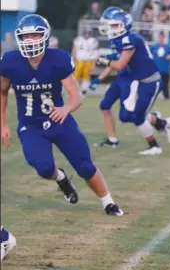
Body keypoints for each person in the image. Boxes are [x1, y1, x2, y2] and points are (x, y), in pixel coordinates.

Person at [1, 14, 123, 216]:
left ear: (45, 36)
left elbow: (76, 95)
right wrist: (2, 124)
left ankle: (108, 202)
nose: (30, 40)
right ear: (20, 39)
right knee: (43, 167)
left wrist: (66, 108)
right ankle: (61, 178)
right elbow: (2, 92)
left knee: (84, 165)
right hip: (30, 126)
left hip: (59, 121)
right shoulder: (10, 61)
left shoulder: (58, 59)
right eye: (26, 36)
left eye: (35, 35)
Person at [90, 7, 170, 154]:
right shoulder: (120, 39)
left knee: (137, 117)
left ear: (124, 25)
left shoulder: (130, 39)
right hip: (139, 81)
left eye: (114, 25)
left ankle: (155, 145)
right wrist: (100, 76)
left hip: (150, 81)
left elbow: (120, 64)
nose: (110, 28)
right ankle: (159, 124)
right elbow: (118, 61)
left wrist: (103, 61)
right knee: (132, 116)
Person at [150, 31, 170, 100]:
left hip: (165, 69)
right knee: (154, 84)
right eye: (160, 37)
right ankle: (152, 97)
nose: (161, 39)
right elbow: (149, 55)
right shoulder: (154, 47)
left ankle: (166, 97)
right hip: (155, 69)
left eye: (162, 37)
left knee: (165, 84)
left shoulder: (168, 47)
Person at [71, 29, 99, 94]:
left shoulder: (93, 41)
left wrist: (93, 63)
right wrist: (73, 58)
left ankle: (84, 89)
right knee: (76, 74)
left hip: (88, 59)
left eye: (88, 33)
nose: (87, 34)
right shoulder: (78, 39)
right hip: (79, 59)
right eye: (85, 33)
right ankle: (75, 88)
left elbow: (96, 52)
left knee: (86, 75)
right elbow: (74, 49)